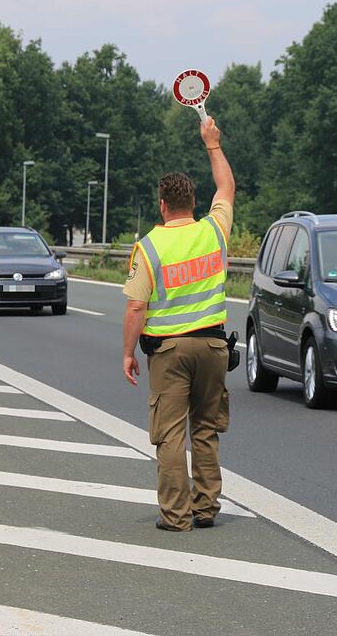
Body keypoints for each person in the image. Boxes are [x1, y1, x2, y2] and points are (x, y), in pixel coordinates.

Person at [122, 115, 235, 532]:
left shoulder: (149, 247)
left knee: (170, 434)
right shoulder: (214, 232)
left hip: (169, 351)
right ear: (193, 202)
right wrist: (212, 144)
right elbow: (226, 187)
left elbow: (136, 308)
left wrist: (128, 353)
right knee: (205, 429)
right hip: (214, 347)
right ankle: (206, 508)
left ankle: (176, 514)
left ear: (162, 205)